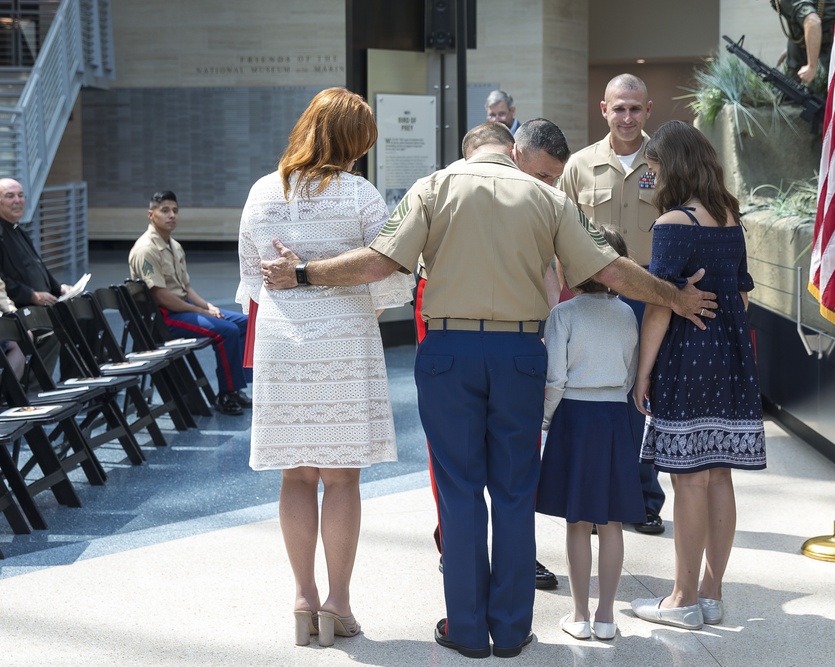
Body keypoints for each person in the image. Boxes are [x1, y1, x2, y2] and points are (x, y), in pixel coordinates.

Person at [260, 120, 718, 659]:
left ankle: (467, 629)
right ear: (516, 152)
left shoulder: (432, 188)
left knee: (458, 491)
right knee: (515, 491)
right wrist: (676, 297)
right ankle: (511, 628)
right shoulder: (546, 198)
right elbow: (612, 270)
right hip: (521, 354)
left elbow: (380, 262)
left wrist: (306, 273)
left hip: (449, 352)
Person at [235, 87, 413, 648]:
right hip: (343, 344)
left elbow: (249, 285)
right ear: (352, 141)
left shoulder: (264, 191)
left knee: (296, 473)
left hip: (282, 344)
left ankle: (303, 597)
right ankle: (338, 602)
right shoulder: (360, 195)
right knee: (341, 478)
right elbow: (390, 279)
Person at [418, 119, 571, 590]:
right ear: (513, 153)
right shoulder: (446, 190)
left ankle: (487, 588)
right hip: (471, 339)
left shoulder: (536, 198)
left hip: (500, 345)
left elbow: (550, 267)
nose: (544, 183)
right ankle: (468, 567)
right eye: (540, 174)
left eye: (552, 179)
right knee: (481, 477)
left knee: (494, 477)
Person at [629, 120, 766, 631]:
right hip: (731, 357)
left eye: (655, 167)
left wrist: (643, 374)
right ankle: (711, 593)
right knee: (719, 474)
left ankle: (682, 600)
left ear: (672, 167)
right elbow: (744, 294)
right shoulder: (731, 218)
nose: (652, 176)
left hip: (689, 360)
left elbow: (661, 307)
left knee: (688, 480)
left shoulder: (672, 224)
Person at [560, 73, 666, 535]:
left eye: (635, 109)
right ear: (603, 109)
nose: (627, 117)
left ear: (648, 111)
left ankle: (643, 499)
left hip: (649, 300)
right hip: (592, 299)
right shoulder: (579, 166)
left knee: (642, 397)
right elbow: (557, 232)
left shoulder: (666, 165)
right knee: (596, 397)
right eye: (618, 108)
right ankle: (600, 494)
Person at [535, 225, 644, 642]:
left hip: (573, 419)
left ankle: (578, 615)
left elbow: (556, 378)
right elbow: (632, 371)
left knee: (578, 521)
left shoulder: (563, 314)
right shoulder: (628, 314)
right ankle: (606, 616)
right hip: (614, 418)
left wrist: (545, 420)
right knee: (611, 520)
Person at [128, 190, 251, 416]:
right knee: (227, 330)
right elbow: (161, 297)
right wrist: (198, 310)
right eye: (164, 210)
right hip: (164, 317)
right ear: (150, 214)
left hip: (181, 308)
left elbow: (186, 288)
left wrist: (208, 306)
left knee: (244, 323)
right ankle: (226, 394)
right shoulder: (146, 249)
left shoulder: (174, 246)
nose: (171, 215)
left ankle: (236, 387)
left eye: (175, 210)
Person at [0, 178, 71, 376]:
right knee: (53, 327)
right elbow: (2, 281)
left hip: (36, 303)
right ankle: (33, 390)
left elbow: (39, 268)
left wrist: (59, 288)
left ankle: (78, 380)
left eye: (21, 195)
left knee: (82, 314)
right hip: (18, 307)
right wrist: (32, 295)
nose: (17, 200)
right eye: (10, 196)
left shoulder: (19, 230)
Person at [771, 0, 835, 86]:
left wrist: (811, 66)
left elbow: (812, 22)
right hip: (808, 35)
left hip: (834, 39)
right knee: (790, 86)